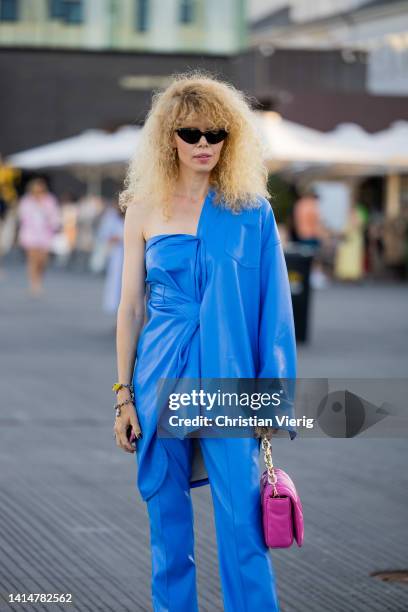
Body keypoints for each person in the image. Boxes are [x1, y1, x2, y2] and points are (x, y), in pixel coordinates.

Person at [113, 71, 297, 612]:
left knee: (244, 527)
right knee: (167, 532)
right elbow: (130, 308)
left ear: (230, 138)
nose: (203, 145)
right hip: (158, 380)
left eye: (215, 134)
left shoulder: (252, 212)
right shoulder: (143, 208)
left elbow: (275, 311)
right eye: (190, 133)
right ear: (169, 137)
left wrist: (273, 396)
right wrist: (123, 395)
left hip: (228, 380)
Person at [17, 178, 61, 296]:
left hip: (45, 235)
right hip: (30, 235)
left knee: (42, 261)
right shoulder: (26, 201)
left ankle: (39, 279)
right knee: (32, 260)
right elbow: (22, 217)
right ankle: (34, 284)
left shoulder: (50, 200)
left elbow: (55, 216)